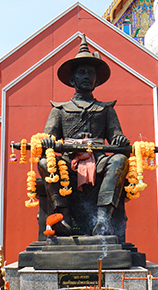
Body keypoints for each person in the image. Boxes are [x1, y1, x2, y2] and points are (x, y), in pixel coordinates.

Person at [39, 34, 130, 237]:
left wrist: (119, 140)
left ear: (97, 80)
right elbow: (47, 138)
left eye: (91, 73)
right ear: (73, 79)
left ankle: (103, 219)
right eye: (82, 73)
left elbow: (117, 138)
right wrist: (47, 142)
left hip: (97, 162)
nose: (87, 76)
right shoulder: (60, 110)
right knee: (45, 163)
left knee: (120, 160)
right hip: (67, 162)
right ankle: (63, 217)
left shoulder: (105, 109)